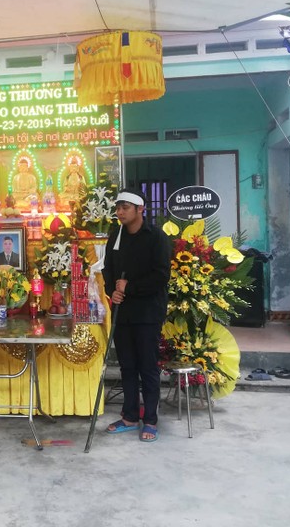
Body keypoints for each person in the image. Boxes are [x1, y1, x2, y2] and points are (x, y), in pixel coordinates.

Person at [102, 188, 171, 442]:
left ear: (140, 210)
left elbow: (161, 275)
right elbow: (108, 270)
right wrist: (112, 292)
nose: (120, 212)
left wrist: (130, 287)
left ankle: (150, 419)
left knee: (147, 366)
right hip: (123, 312)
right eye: (118, 207)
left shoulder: (156, 237)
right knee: (127, 366)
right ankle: (130, 416)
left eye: (125, 207)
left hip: (148, 312)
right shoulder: (115, 236)